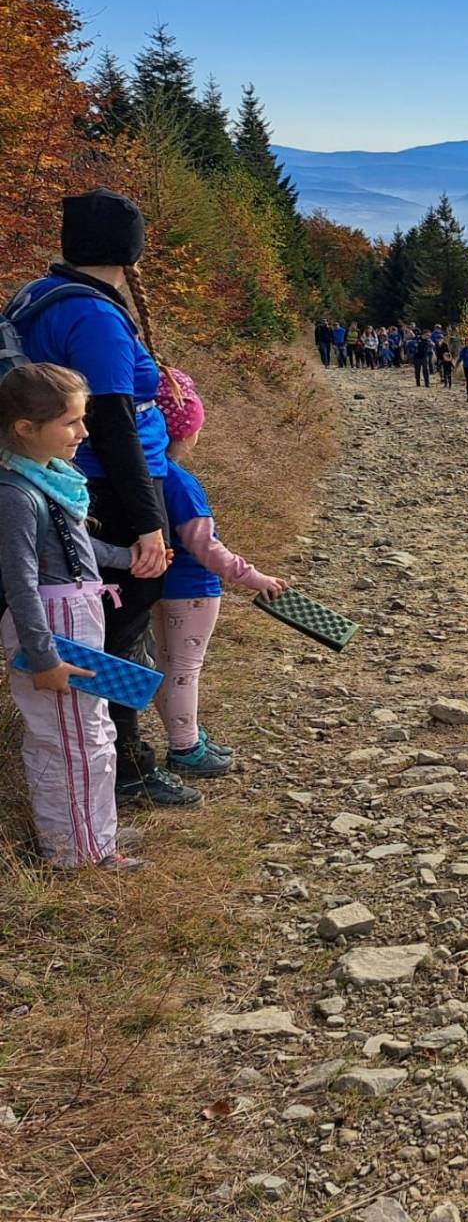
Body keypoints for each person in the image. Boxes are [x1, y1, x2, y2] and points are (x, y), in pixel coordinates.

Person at [8, 190, 198, 806]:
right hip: (110, 488)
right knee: (120, 624)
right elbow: (112, 420)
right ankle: (128, 766)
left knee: (113, 624)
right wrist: (147, 525)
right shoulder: (93, 315)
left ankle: (123, 752)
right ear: (130, 248)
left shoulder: (39, 293)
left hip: (72, 480)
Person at [0, 364, 140, 868]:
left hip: (77, 614)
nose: (84, 433)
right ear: (25, 429)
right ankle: (78, 853)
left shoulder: (52, 480)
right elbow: (21, 584)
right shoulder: (15, 495)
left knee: (92, 730)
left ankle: (95, 833)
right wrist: (44, 658)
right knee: (71, 742)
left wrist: (129, 559)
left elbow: (77, 546)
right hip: (53, 629)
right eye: (72, 423)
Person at [153, 368, 286, 773]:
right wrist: (254, 578)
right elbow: (206, 547)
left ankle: (186, 733)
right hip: (192, 589)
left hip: (157, 586)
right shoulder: (181, 483)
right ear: (187, 430)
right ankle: (185, 747)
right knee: (185, 671)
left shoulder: (146, 475)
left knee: (165, 664)